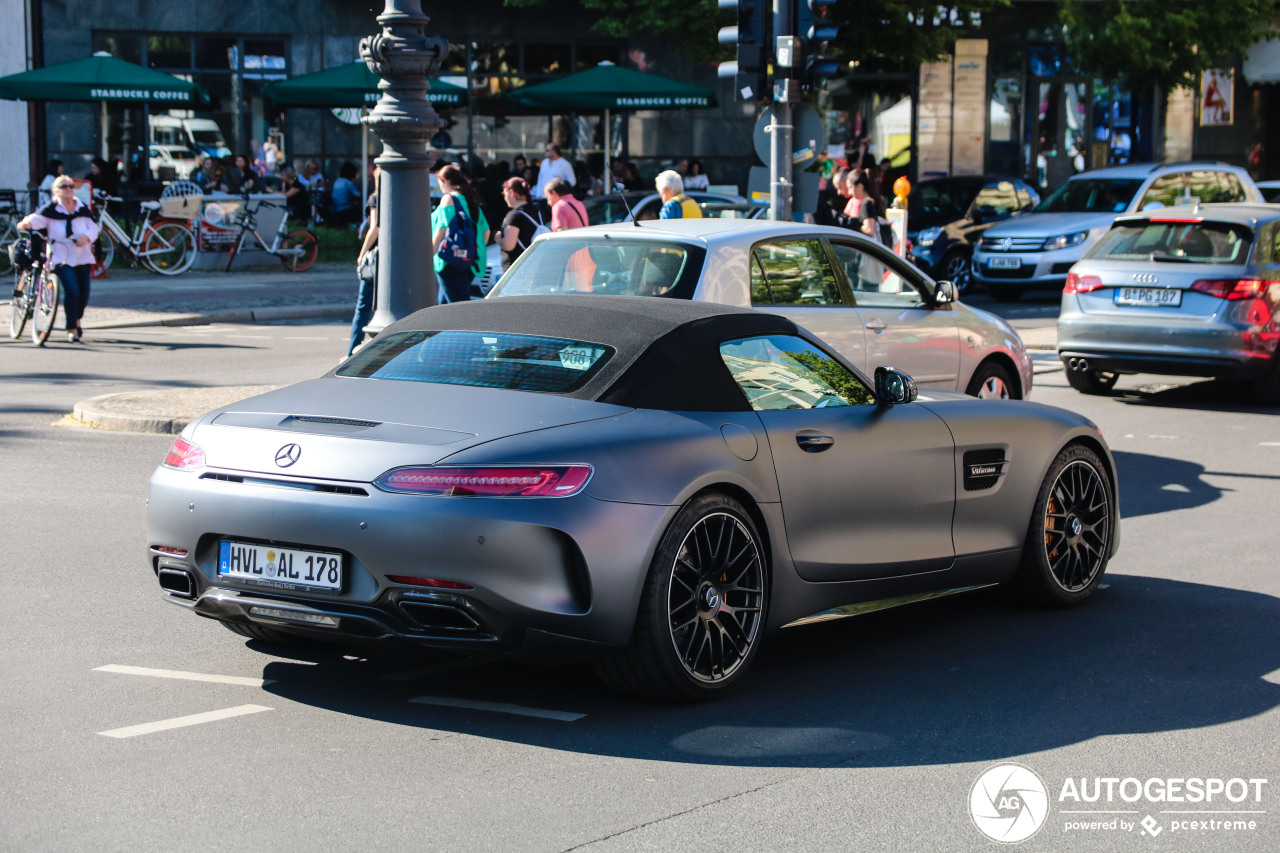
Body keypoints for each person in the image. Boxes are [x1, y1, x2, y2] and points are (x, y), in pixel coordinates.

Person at [17, 175, 100, 343]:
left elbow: (94, 228)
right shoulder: (51, 209)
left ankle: (77, 320)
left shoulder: (81, 207)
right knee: (72, 291)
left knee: (84, 294)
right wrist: (25, 224)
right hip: (60, 256)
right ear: (56, 191)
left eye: (70, 186)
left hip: (82, 256)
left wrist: (86, 237)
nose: (68, 189)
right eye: (64, 187)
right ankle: (71, 329)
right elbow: (33, 220)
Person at [431, 164, 490, 303]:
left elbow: (441, 231)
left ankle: (466, 326)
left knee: (457, 307)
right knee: (444, 306)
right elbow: (485, 233)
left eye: (440, 183)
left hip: (448, 259)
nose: (440, 187)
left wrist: (428, 256)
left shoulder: (448, 199)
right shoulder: (471, 201)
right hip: (468, 260)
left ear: (446, 182)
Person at [348, 167, 380, 358]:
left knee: (363, 306)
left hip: (376, 259)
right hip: (396, 259)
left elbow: (375, 227)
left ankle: (353, 350)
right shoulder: (403, 195)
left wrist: (362, 253)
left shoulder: (376, 198)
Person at [498, 176, 550, 270]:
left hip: (517, 268)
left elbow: (508, 245)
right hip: (535, 264)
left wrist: (498, 238)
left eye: (504, 194)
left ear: (511, 193)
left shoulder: (514, 215)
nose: (505, 198)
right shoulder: (537, 210)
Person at [328, 162, 361, 226]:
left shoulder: (338, 180)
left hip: (334, 208)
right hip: (343, 209)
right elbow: (358, 194)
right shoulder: (347, 183)